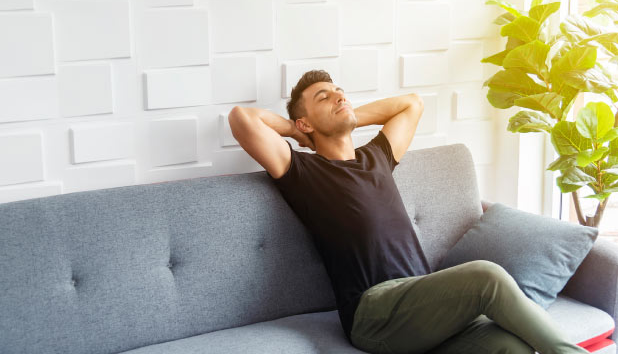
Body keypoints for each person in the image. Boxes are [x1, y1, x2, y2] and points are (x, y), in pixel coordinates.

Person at [227, 69, 589, 354]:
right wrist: (297, 131)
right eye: (324, 97)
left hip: (421, 306)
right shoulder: (304, 171)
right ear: (305, 123)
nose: (339, 95)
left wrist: (346, 114)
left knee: (511, 347)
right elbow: (242, 118)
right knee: (485, 276)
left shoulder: (376, 157)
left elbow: (412, 104)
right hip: (375, 314)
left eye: (340, 91)